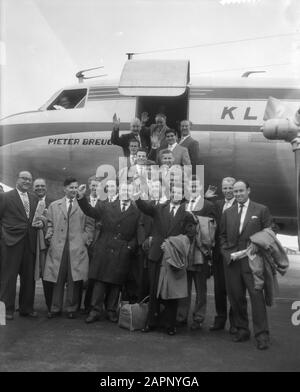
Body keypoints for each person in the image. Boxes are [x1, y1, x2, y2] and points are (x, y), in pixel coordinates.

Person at [220, 180, 273, 350]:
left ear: (248, 190)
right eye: (235, 191)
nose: (238, 194)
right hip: (233, 262)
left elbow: (271, 231)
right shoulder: (227, 212)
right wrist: (226, 253)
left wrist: (259, 243)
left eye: (241, 191)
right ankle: (242, 330)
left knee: (257, 297)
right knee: (236, 298)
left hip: (253, 260)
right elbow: (221, 236)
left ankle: (262, 335)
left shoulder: (261, 209)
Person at [77, 182, 140, 324]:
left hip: (122, 251)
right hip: (104, 248)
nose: (126, 192)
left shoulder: (137, 212)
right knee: (100, 281)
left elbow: (137, 234)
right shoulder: (106, 205)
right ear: (119, 191)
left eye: (129, 190)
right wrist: (81, 198)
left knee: (116, 283)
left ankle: (111, 311)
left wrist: (129, 248)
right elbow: (90, 212)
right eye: (123, 190)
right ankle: (95, 310)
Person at [135, 184, 190, 335]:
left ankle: (170, 325)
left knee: (171, 291)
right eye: (174, 191)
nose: (176, 194)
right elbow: (145, 208)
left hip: (173, 256)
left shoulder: (187, 212)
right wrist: (137, 196)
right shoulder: (159, 208)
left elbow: (190, 235)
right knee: (153, 290)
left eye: (179, 192)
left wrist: (173, 244)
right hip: (156, 255)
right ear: (170, 193)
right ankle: (151, 322)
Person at [43, 177, 94, 319]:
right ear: (64, 189)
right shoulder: (54, 205)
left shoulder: (84, 205)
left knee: (74, 279)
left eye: (75, 187)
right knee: (57, 277)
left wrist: (84, 240)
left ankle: (72, 308)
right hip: (58, 246)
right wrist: (51, 237)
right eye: (71, 187)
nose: (73, 190)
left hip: (76, 247)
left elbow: (90, 225)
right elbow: (50, 224)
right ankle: (55, 308)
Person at [0, 171, 42, 320]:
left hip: (29, 242)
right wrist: (3, 237)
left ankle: (26, 308)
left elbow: (38, 217)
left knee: (29, 277)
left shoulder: (34, 198)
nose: (27, 181)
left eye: (29, 179)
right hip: (10, 242)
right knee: (8, 277)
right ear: (17, 179)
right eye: (24, 178)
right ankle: (6, 311)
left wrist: (41, 222)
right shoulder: (5, 197)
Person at [177, 175, 217, 329]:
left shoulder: (208, 205)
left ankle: (198, 318)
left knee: (201, 289)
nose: (193, 189)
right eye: (190, 187)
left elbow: (213, 228)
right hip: (185, 251)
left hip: (200, 252)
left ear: (200, 188)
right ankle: (181, 317)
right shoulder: (182, 205)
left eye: (195, 186)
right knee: (183, 287)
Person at [210, 177, 236, 334]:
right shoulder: (218, 204)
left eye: (230, 188)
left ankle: (235, 323)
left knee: (234, 290)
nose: (227, 191)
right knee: (219, 290)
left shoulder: (239, 205)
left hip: (233, 254)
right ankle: (220, 320)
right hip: (218, 254)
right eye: (225, 188)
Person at [33, 178, 53, 314]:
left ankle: (51, 306)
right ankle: (26, 305)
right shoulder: (29, 202)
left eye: (42, 185)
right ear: (33, 188)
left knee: (48, 277)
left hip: (48, 245)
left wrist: (44, 222)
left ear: (46, 187)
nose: (40, 188)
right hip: (30, 243)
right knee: (29, 276)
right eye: (37, 186)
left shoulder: (53, 202)